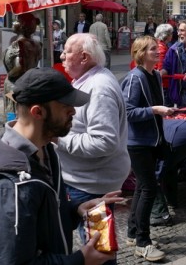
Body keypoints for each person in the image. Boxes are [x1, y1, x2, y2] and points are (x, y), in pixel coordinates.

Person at [0, 67, 122, 264]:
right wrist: (79, 260)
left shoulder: (46, 152)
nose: (73, 110)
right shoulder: (7, 187)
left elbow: (38, 216)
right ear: (38, 112)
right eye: (66, 105)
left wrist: (74, 210)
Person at [56, 33, 131, 249]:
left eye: (67, 51)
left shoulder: (98, 88)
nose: (61, 55)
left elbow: (104, 142)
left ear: (84, 58)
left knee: (99, 250)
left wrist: (58, 138)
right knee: (99, 247)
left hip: (91, 185)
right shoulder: (90, 80)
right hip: (88, 180)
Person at [121, 36, 176, 261]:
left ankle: (133, 233)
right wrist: (154, 110)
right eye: (153, 49)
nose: (158, 51)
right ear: (141, 53)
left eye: (157, 48)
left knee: (142, 188)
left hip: (151, 140)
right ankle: (143, 242)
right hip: (138, 143)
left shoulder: (154, 75)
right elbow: (128, 112)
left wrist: (165, 111)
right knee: (149, 189)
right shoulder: (135, 78)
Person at [2, 13, 42, 118]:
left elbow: (19, 67)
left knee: (13, 112)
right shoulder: (36, 44)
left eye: (17, 20)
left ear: (22, 25)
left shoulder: (19, 44)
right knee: (26, 113)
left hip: (15, 85)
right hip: (29, 83)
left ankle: (12, 127)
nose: (14, 23)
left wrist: (9, 75)